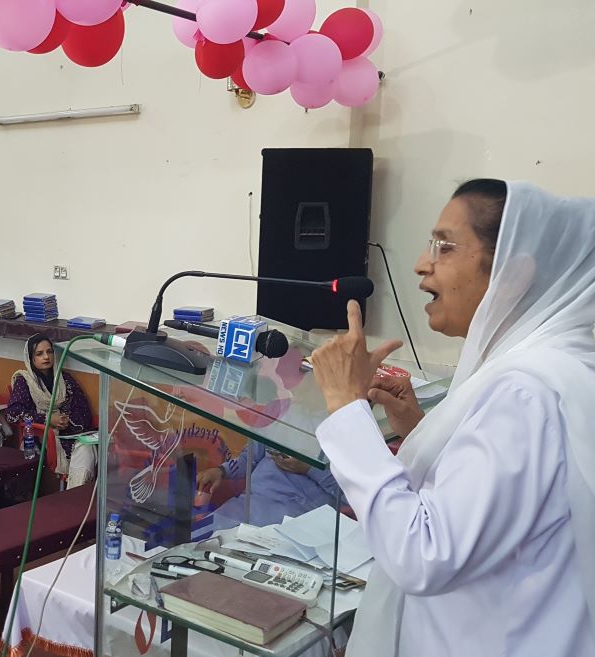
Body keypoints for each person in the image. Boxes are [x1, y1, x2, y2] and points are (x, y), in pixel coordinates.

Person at [309, 180, 595, 657]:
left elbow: (425, 554)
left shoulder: (525, 394)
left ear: (513, 272)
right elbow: (504, 501)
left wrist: (345, 407)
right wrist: (421, 431)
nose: (422, 263)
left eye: (444, 246)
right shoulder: (543, 368)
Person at [8, 333, 95, 488]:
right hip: (43, 437)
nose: (46, 357)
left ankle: (75, 497)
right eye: (39, 354)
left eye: (49, 352)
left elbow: (83, 408)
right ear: (30, 358)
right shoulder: (25, 381)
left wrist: (66, 419)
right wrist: (48, 419)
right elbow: (14, 414)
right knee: (83, 452)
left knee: (87, 450)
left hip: (72, 433)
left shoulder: (65, 378)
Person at [196, 444, 343, 530]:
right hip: (250, 502)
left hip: (299, 515)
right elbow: (248, 459)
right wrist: (222, 471)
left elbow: (348, 492)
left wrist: (309, 468)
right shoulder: (276, 413)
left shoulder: (348, 428)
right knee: (192, 545)